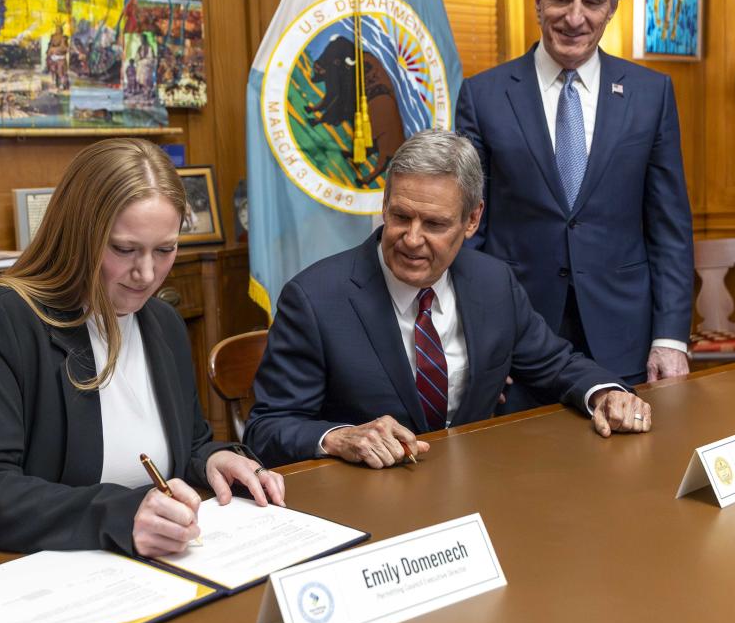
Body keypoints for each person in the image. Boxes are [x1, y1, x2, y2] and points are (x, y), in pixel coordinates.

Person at [0, 139, 284, 558]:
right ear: (78, 235)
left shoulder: (164, 323)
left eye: (165, 249)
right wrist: (121, 516)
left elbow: (188, 444)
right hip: (2, 567)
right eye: (124, 249)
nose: (147, 274)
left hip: (132, 568)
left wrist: (212, 459)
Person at [243, 129, 651, 469]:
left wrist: (605, 394)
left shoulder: (493, 282)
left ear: (472, 219)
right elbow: (266, 428)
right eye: (401, 216)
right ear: (384, 205)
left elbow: (556, 364)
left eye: (435, 224)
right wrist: (339, 437)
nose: (412, 238)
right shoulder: (315, 299)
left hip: (477, 483)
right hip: (368, 498)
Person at [456, 0, 694, 389]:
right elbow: (469, 229)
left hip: (624, 336)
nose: (574, 16)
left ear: (613, 8)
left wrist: (670, 338)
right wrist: (478, 339)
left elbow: (670, 229)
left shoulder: (651, 94)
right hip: (517, 338)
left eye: (593, 1)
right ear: (538, 1)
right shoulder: (483, 96)